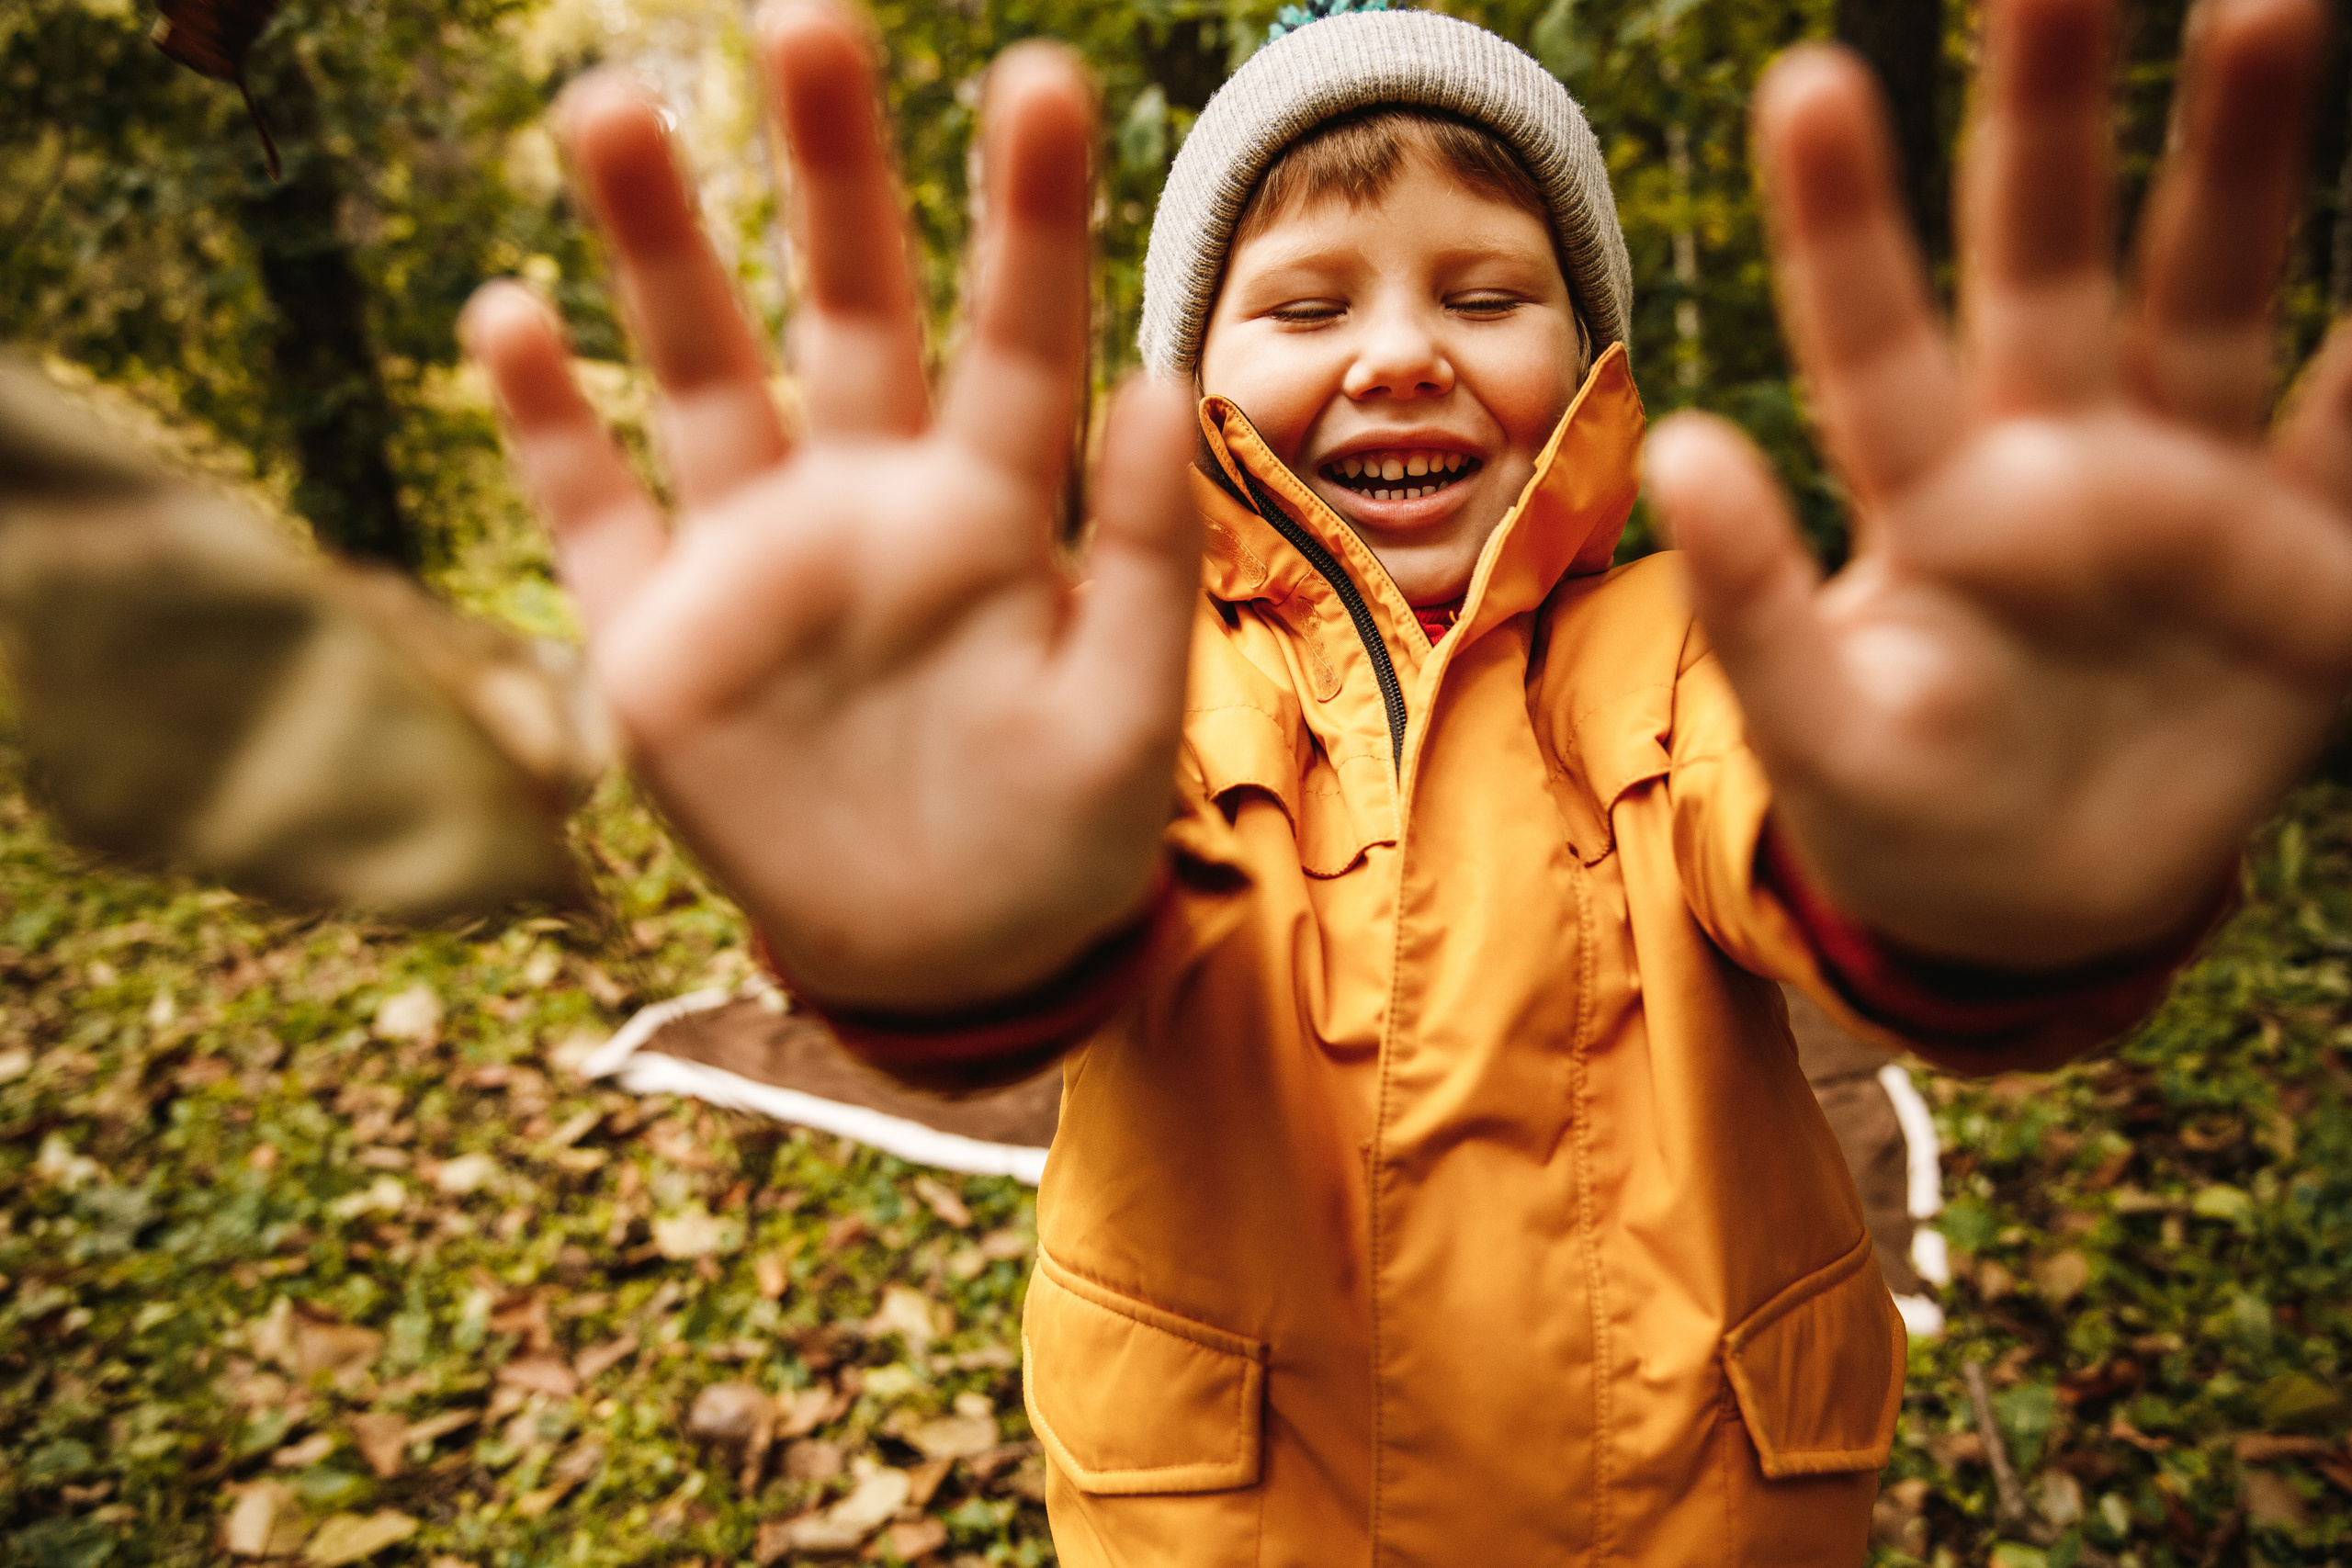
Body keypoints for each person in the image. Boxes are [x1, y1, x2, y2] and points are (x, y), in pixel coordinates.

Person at [460, 0, 2352, 1558]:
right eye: (1306, 308)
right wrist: (940, 893)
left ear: (1589, 353)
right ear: (1191, 381)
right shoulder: (1132, 689)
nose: (1396, 356)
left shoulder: (1686, 644)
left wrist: (1995, 847)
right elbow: (1063, 889)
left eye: (1483, 293)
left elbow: (1810, 814)